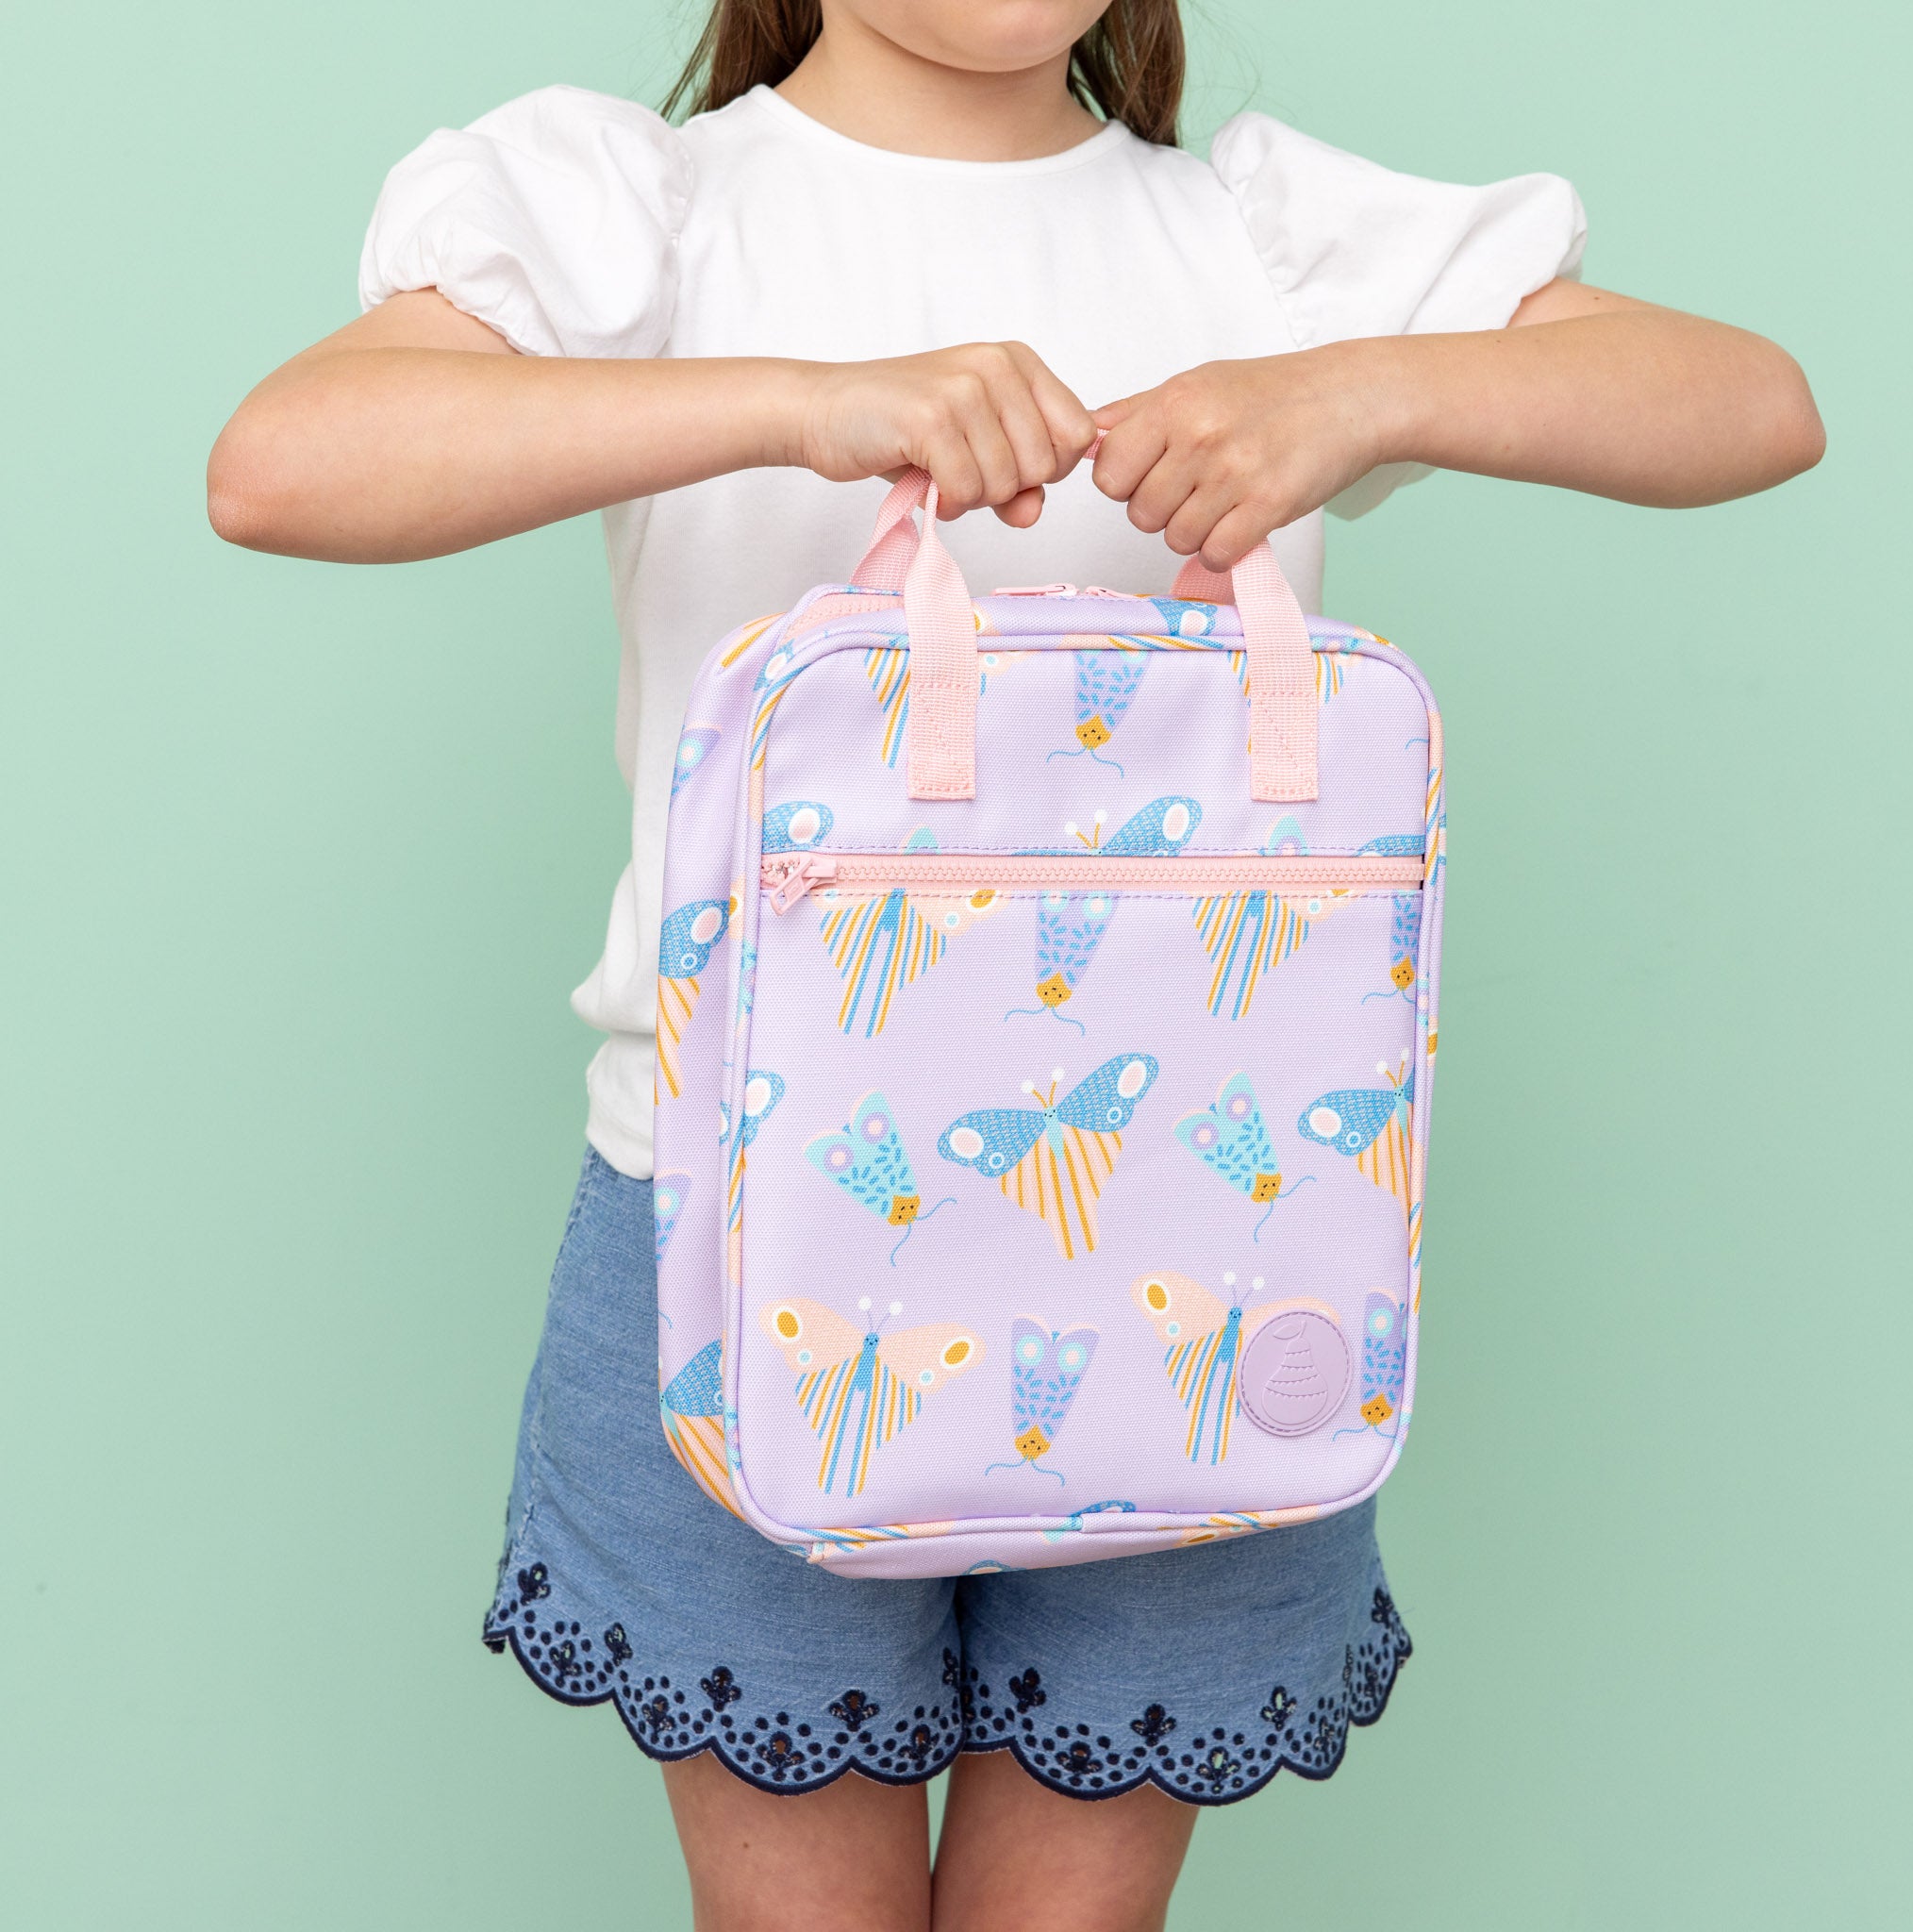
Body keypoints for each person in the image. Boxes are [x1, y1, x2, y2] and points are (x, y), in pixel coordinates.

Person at [207, 4, 1822, 1925]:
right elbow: (283, 462)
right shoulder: (647, 211)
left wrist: (1357, 392)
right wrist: (801, 399)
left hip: (1203, 1247)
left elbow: (1752, 403)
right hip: (739, 1247)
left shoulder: (1259, 238)